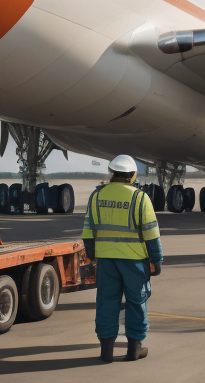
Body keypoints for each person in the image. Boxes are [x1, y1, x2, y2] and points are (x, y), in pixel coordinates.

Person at [81, 155, 163, 363]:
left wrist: (91, 254)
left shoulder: (96, 197)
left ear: (113, 173)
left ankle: (106, 352)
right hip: (134, 261)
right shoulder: (140, 198)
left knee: (107, 303)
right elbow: (151, 233)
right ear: (132, 175)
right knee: (136, 302)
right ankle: (133, 350)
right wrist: (157, 260)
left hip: (106, 260)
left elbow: (88, 230)